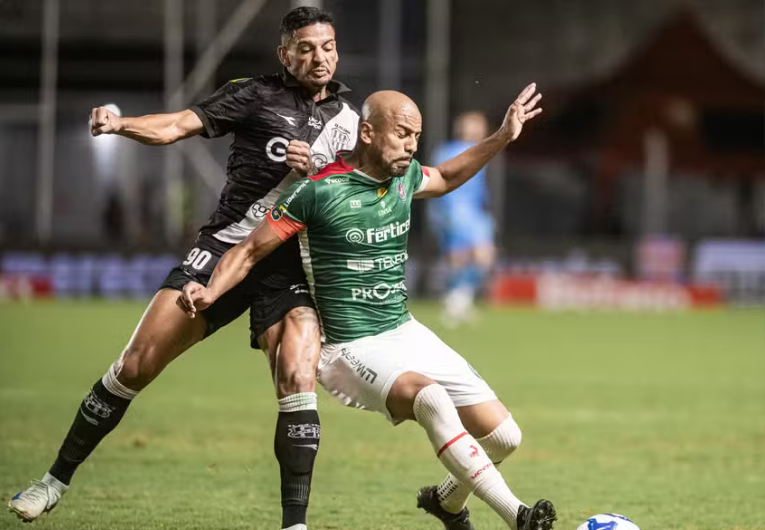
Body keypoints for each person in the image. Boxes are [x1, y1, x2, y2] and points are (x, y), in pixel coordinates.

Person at [8, 7, 359, 530]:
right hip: (222, 248)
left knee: (296, 376)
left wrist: (326, 172)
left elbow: (361, 188)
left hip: (286, 260)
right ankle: (52, 482)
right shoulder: (253, 93)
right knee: (135, 365)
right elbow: (176, 125)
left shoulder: (353, 118)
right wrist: (120, 123)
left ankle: (295, 525)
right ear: (284, 54)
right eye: (305, 48)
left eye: (326, 46)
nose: (319, 57)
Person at [178, 87, 555, 530]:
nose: (412, 145)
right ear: (369, 132)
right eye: (402, 134)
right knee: (430, 398)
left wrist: (502, 136)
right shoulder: (316, 192)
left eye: (416, 135)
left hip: (404, 331)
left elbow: (449, 177)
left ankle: (446, 503)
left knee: (505, 437)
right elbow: (247, 251)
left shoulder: (405, 177)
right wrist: (210, 292)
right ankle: (520, 518)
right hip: (349, 346)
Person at [428, 111, 496, 326]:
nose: (479, 130)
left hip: (475, 214)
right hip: (454, 211)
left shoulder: (480, 153)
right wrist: (445, 213)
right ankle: (455, 298)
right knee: (459, 258)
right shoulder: (446, 152)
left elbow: (477, 188)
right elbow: (439, 183)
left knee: (485, 255)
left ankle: (460, 297)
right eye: (474, 126)